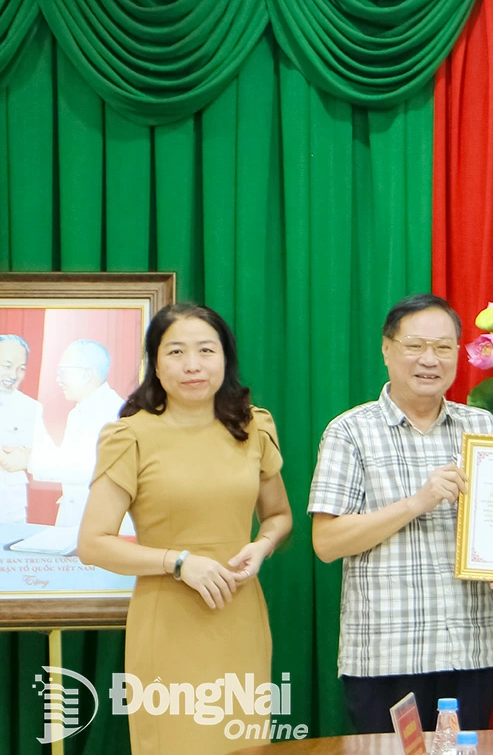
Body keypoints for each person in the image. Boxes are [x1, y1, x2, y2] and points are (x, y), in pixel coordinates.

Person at [77, 303, 292, 755]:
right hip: (168, 622)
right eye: (175, 352)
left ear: (225, 358)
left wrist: (263, 545)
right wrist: (177, 562)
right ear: (155, 362)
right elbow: (93, 544)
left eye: (206, 350)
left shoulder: (252, 427)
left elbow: (279, 516)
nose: (192, 365)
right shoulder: (130, 435)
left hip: (240, 614)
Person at [308, 294, 493, 735]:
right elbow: (326, 543)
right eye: (415, 346)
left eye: (443, 347)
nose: (429, 360)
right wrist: (417, 502)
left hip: (470, 651)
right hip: (385, 657)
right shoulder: (350, 431)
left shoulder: (482, 426)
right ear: (386, 348)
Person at [22, 340, 126, 526]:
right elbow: (67, 458)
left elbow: (85, 467)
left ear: (87, 374)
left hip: (101, 524)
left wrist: (28, 460)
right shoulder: (79, 411)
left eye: (63, 371)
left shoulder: (113, 413)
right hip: (77, 519)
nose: (58, 379)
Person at [0, 334, 43, 523]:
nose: (13, 375)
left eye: (21, 368)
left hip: (10, 508)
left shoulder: (30, 407)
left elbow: (44, 452)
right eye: (7, 366)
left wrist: (29, 457)